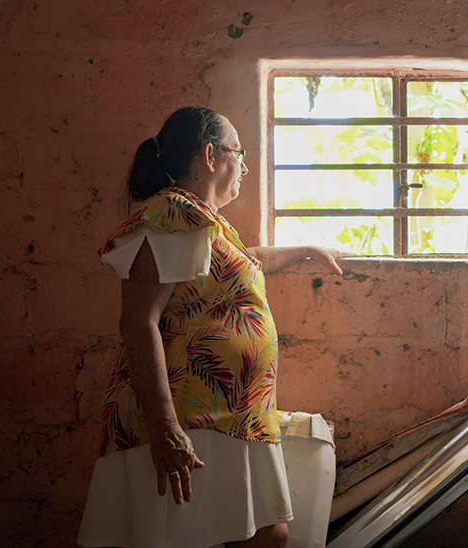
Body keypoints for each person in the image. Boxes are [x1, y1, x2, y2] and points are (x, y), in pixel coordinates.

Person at [78, 106, 350, 548]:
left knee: (265, 536)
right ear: (209, 155)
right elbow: (138, 322)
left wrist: (305, 248)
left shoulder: (202, 222)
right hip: (191, 417)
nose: (244, 166)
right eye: (238, 153)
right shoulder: (173, 215)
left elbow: (244, 261)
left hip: (227, 416)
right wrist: (167, 431)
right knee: (241, 539)